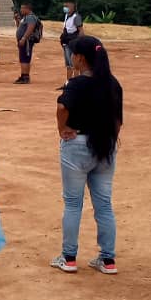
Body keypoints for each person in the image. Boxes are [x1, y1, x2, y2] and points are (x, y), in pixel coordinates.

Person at [51, 36, 122, 275]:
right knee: (104, 204)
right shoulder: (112, 83)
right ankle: (108, 259)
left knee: (73, 203)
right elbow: (117, 121)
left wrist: (62, 129)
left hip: (77, 144)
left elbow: (62, 108)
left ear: (80, 57)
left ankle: (69, 257)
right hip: (105, 145)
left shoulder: (77, 83)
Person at [14, 2, 40, 84]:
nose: (21, 10)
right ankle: (24, 75)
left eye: (22, 8)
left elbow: (30, 28)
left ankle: (25, 77)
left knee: (24, 58)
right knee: (23, 58)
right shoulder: (25, 18)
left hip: (26, 41)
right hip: (24, 40)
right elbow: (20, 28)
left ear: (27, 9)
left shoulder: (30, 17)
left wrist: (24, 38)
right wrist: (17, 20)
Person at [60, 0, 84, 83]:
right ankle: (68, 82)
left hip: (73, 42)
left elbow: (81, 31)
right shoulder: (67, 16)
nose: (65, 8)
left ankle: (77, 83)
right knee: (68, 64)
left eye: (67, 6)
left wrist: (79, 43)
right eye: (64, 6)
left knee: (75, 64)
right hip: (66, 42)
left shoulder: (76, 17)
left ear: (72, 7)